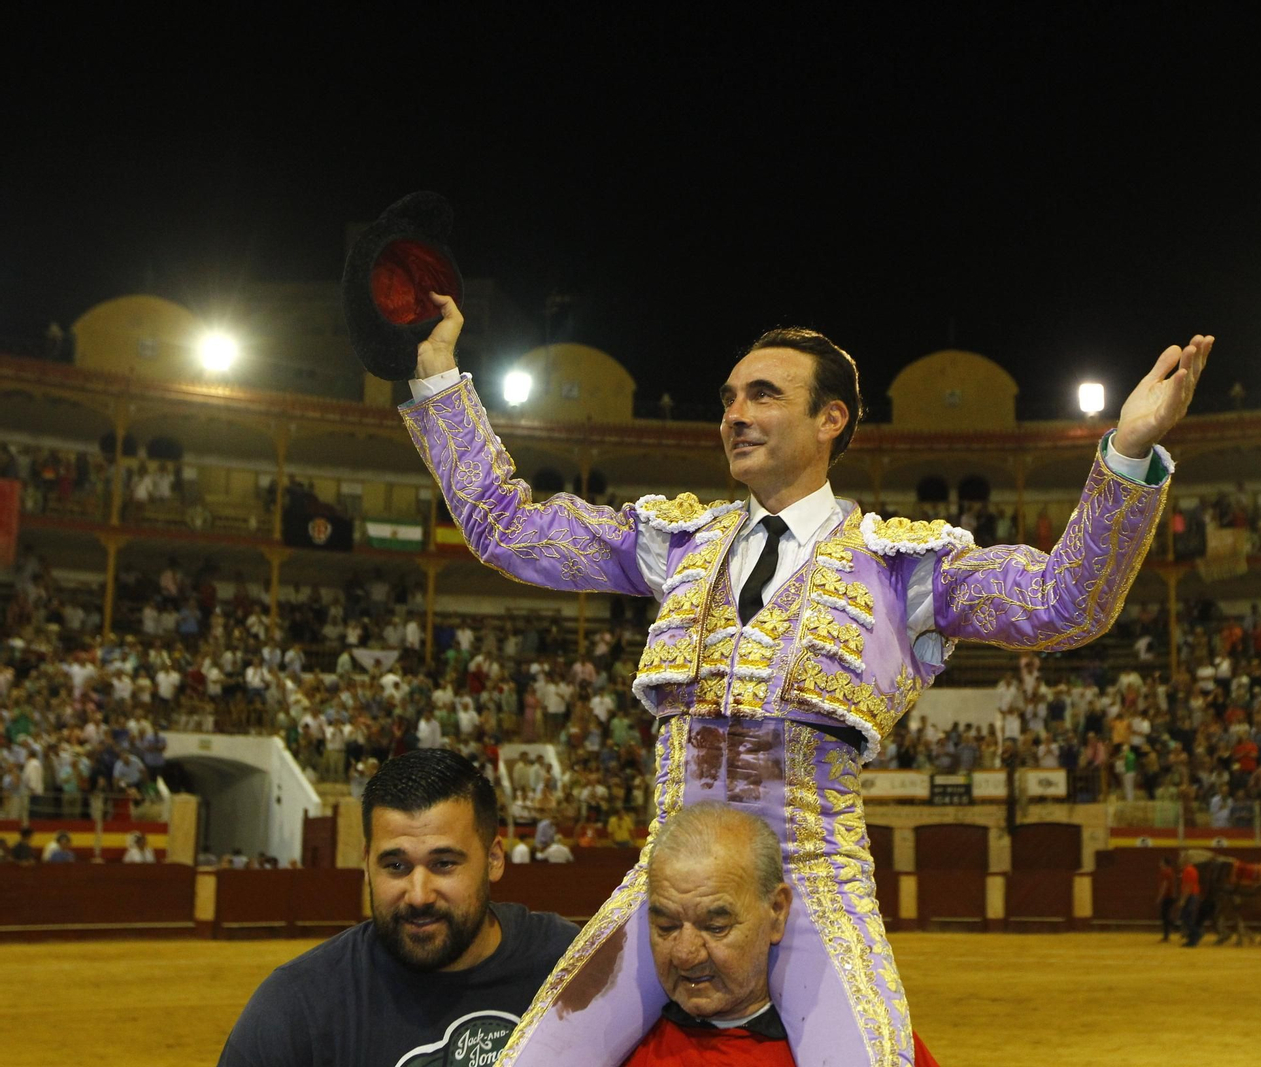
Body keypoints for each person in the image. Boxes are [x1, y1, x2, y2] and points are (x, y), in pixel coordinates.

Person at [403, 296, 1209, 1066]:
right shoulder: (679, 542)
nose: (734, 413)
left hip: (811, 882)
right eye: (727, 397)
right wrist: (439, 374)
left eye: (763, 394)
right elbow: (506, 528)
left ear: (832, 420)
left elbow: (1063, 603)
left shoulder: (904, 566)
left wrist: (1129, 453)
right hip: (669, 878)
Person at [216, 750, 579, 1066]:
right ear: (366, 864)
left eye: (444, 863)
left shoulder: (575, 967)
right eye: (396, 866)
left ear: (494, 859)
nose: (418, 895)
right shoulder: (296, 1007)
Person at [625, 802, 937, 1066]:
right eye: (666, 927)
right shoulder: (613, 1047)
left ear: (777, 911)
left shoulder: (871, 1045)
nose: (684, 954)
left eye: (716, 927)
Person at [1176, 857, 1203, 947]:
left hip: (1191, 896)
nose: (1178, 861)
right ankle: (1192, 939)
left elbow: (1188, 885)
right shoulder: (1192, 869)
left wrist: (1183, 899)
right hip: (1192, 895)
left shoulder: (1188, 870)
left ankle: (1196, 934)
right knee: (1188, 917)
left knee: (1186, 917)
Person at [1155, 855, 1177, 942]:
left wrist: (1159, 897)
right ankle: (1170, 931)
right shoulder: (1169, 871)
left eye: (1161, 862)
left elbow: (1165, 885)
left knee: (1165, 916)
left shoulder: (1166, 872)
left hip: (1168, 896)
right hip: (1170, 896)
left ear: (1164, 863)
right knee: (1166, 916)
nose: (1159, 863)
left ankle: (1174, 929)